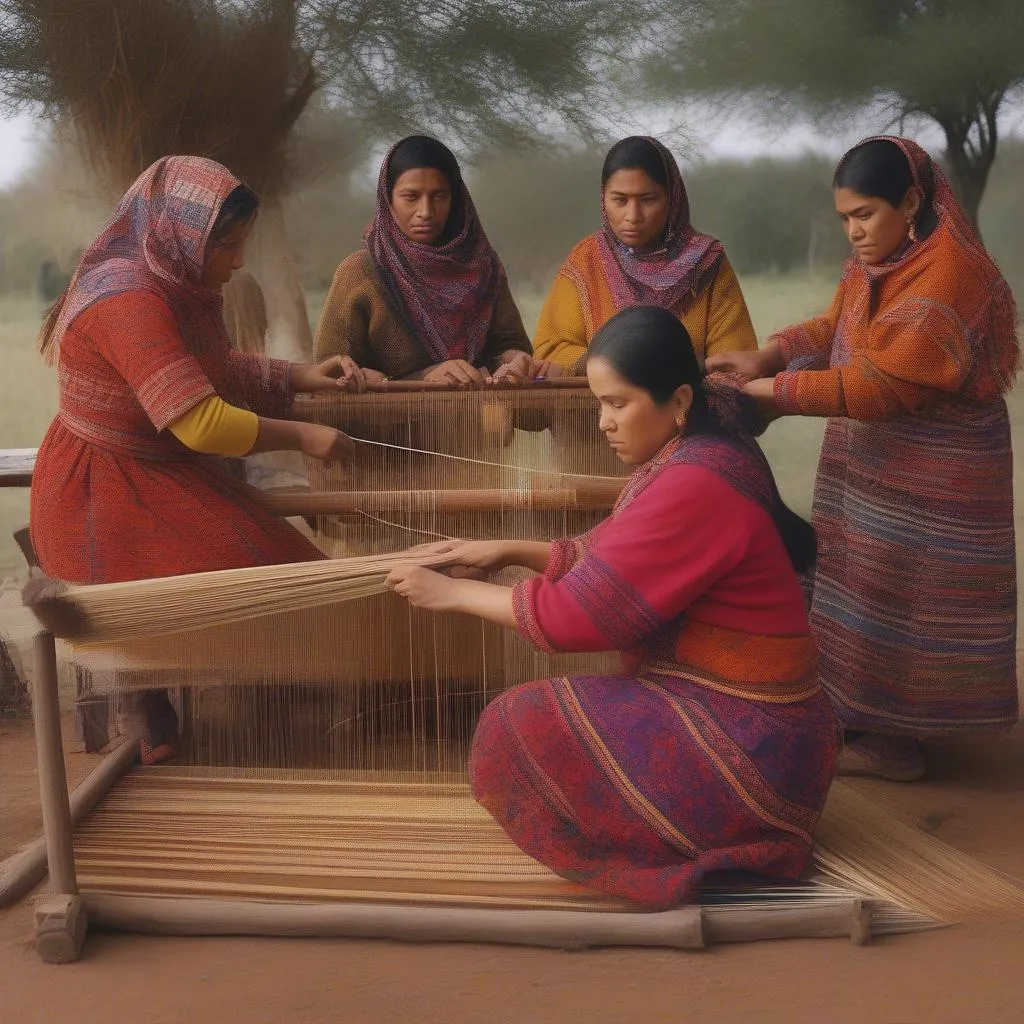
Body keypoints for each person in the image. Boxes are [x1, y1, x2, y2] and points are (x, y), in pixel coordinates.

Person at [386, 306, 839, 908]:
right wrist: (504, 550)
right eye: (600, 404)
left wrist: (452, 594)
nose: (603, 422)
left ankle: (701, 841)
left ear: (678, 400)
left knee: (512, 729)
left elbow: (581, 616)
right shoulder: (704, 454)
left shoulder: (693, 483)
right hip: (768, 730)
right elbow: (609, 559)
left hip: (754, 749)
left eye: (618, 403)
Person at [707, 136, 1019, 782]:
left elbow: (883, 384)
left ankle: (895, 744)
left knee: (909, 592)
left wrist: (776, 393)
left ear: (910, 201)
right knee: (866, 584)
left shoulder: (953, 273)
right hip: (874, 466)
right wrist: (770, 355)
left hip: (938, 475)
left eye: (866, 215)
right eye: (845, 218)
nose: (854, 231)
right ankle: (866, 714)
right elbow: (836, 329)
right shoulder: (883, 260)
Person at [30, 155, 357, 762]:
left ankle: (278, 696)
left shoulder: (175, 285)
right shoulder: (127, 301)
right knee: (264, 575)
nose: (237, 261)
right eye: (229, 247)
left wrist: (300, 375)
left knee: (285, 569)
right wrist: (306, 437)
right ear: (181, 236)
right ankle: (153, 699)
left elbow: (216, 370)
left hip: (149, 476)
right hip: (97, 495)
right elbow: (200, 420)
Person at [315, 135, 551, 387]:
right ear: (388, 200)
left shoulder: (483, 266)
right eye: (410, 197)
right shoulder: (360, 272)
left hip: (473, 422)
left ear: (455, 199)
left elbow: (508, 344)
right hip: (386, 424)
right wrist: (420, 379)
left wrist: (513, 360)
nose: (425, 212)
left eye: (439, 196)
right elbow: (331, 373)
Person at [532, 136, 758, 372]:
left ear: (672, 199)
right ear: (603, 198)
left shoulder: (707, 262)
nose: (633, 215)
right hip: (601, 407)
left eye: (648, 200)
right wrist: (619, 365)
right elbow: (551, 349)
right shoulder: (587, 259)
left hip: (686, 404)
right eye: (620, 200)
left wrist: (677, 373)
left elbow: (736, 361)